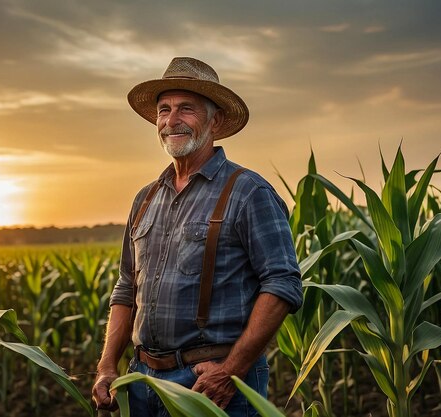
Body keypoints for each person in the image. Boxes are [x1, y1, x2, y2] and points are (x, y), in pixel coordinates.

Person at [92, 57, 303, 417]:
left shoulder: (248, 192)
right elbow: (127, 287)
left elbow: (282, 283)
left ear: (216, 120)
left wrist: (230, 371)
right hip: (142, 382)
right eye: (164, 110)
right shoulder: (145, 199)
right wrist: (107, 365)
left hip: (213, 384)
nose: (171, 121)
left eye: (186, 109)